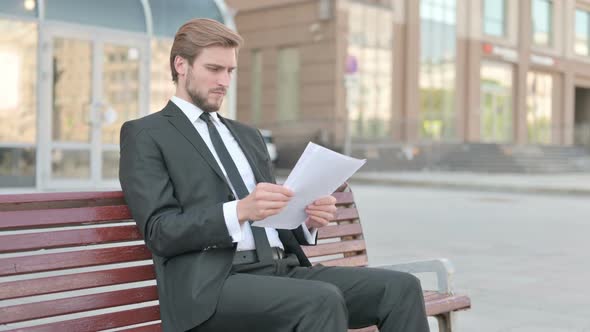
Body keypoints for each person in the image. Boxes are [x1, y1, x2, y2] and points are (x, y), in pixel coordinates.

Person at [119, 18, 429, 332]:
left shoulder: (248, 136)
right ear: (181, 65)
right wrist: (239, 211)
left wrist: (306, 220)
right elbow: (160, 230)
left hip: (282, 269)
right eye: (214, 69)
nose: (224, 81)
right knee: (321, 300)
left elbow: (272, 221)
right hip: (212, 287)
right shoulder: (146, 134)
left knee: (400, 289)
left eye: (230, 71)